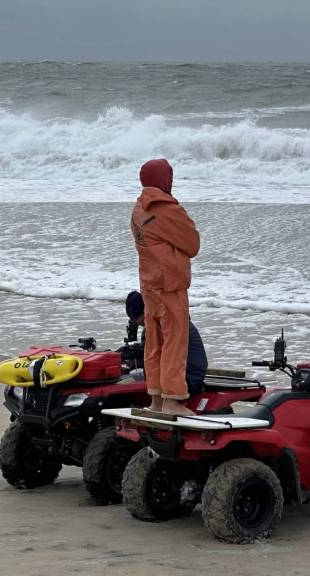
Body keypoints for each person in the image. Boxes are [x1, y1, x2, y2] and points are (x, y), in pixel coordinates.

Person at [131, 158, 200, 416]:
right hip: (170, 284)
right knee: (175, 342)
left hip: (150, 284)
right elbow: (193, 244)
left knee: (154, 343)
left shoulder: (139, 209)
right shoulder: (167, 209)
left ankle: (157, 399)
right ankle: (173, 400)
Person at [125, 290, 207, 396]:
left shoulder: (160, 325)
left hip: (188, 379)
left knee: (145, 365)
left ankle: (157, 401)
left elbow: (152, 355)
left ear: (143, 312)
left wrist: (128, 359)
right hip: (191, 374)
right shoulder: (170, 318)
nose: (136, 323)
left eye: (135, 319)